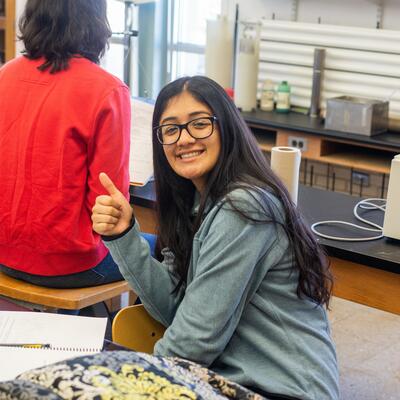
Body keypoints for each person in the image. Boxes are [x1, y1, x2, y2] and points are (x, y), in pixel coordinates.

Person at [91, 76, 339, 399]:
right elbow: (176, 310)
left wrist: (133, 385)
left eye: (199, 124)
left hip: (282, 388)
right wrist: (124, 235)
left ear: (226, 127)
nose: (184, 139)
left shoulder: (244, 208)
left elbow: (193, 341)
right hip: (225, 379)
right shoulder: (193, 204)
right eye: (171, 129)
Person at [0, 0, 130, 288]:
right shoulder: (107, 90)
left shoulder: (4, 76)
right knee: (164, 252)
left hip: (5, 254)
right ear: (96, 19)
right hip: (71, 262)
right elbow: (109, 203)